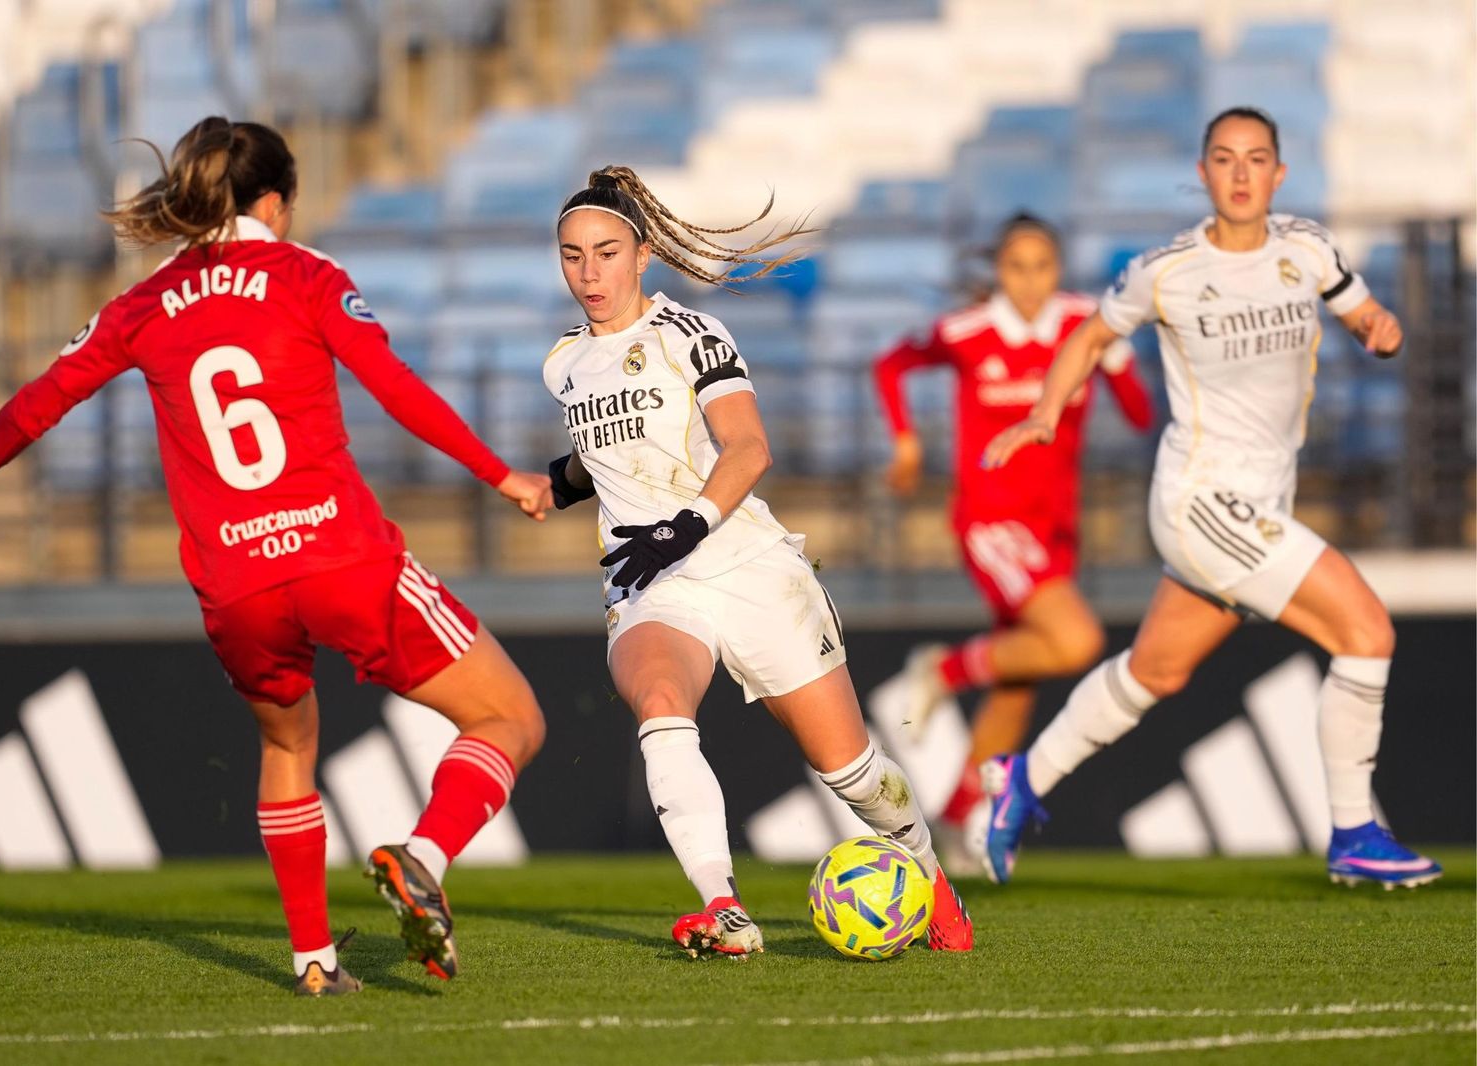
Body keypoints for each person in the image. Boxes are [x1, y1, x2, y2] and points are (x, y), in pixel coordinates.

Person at [0, 118, 552, 994]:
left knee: (288, 746)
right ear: (275, 203)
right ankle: (423, 856)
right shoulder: (306, 275)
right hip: (340, 557)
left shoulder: (140, 306)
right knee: (509, 717)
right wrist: (499, 475)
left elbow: (43, 397)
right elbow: (394, 388)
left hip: (238, 584)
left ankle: (316, 964)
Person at [977, 107, 1441, 889]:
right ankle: (1355, 833)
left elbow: (1356, 306)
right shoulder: (1169, 270)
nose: (1239, 173)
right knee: (1365, 631)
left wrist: (1376, 326)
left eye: (1256, 159)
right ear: (1203, 173)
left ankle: (1021, 783)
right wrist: (1045, 413)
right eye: (1224, 159)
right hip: (1200, 501)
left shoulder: (1307, 247)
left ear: (1278, 174)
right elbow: (1091, 336)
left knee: (1155, 672)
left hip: (1258, 505)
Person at [532, 165, 974, 956]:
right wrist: (554, 485)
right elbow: (599, 453)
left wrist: (687, 525)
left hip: (742, 561)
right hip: (650, 582)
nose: (589, 273)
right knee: (661, 701)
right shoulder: (563, 364)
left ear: (643, 256)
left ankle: (930, 877)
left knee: (850, 770)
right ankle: (726, 911)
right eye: (572, 256)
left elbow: (748, 447)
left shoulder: (690, 335)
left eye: (605, 252)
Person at [872, 213, 1153, 874]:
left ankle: (955, 816)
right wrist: (907, 442)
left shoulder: (1086, 324)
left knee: (1019, 682)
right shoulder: (968, 332)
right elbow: (891, 365)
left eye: (1043, 267)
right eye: (1017, 267)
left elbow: (1142, 415)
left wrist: (1117, 358)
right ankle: (941, 670)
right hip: (991, 518)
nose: (1030, 282)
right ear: (1000, 270)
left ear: (1059, 270)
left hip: (1057, 528)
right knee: (1078, 642)